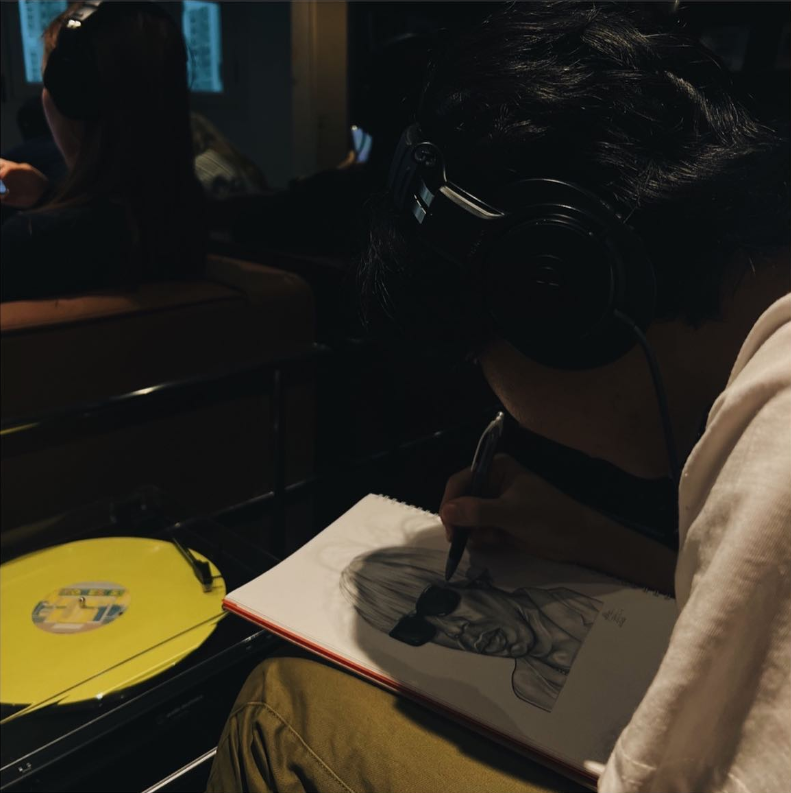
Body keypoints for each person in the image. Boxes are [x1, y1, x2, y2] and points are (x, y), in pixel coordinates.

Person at [208, 2, 789, 791]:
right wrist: (601, 544)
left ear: (560, 291)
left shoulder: (775, 453)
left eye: (475, 350)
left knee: (279, 706)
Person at [0, 1, 206, 303]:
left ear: (70, 98)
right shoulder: (187, 219)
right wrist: (46, 197)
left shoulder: (25, 241)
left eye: (47, 81)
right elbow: (100, 230)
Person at [342, 547, 602, 712]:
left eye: (438, 604)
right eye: (418, 630)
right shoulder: (533, 688)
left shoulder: (586, 600)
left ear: (471, 579)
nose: (454, 632)